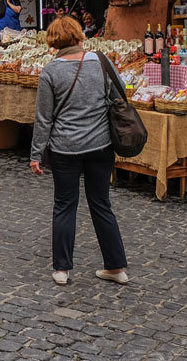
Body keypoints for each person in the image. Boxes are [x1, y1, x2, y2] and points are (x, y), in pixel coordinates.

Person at [29, 16, 129, 286]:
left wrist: (36, 153)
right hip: (100, 146)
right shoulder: (101, 62)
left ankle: (62, 269)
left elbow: (44, 119)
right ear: (78, 35)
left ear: (53, 41)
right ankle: (116, 267)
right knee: (101, 204)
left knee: (64, 205)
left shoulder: (50, 72)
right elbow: (118, 98)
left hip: (65, 149)